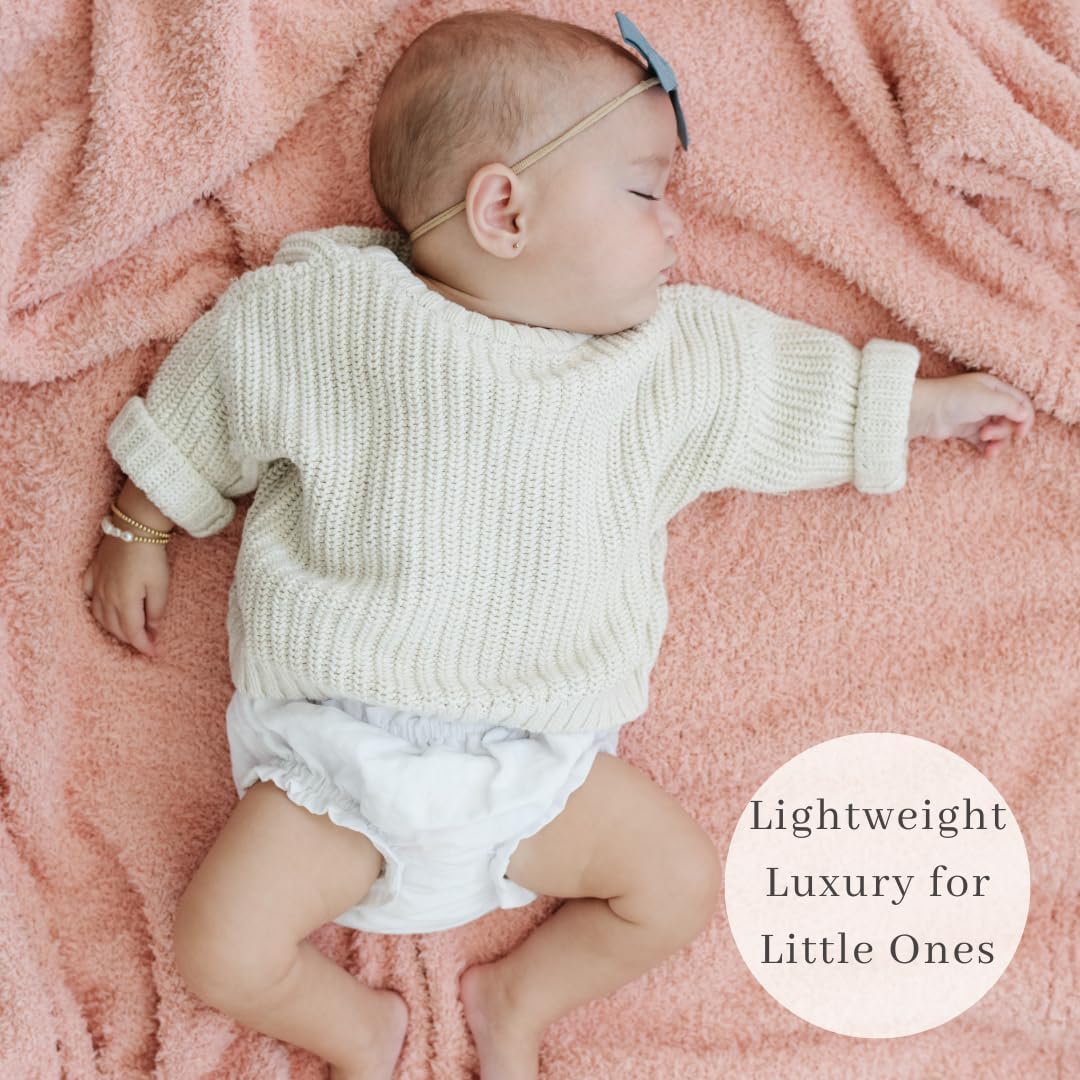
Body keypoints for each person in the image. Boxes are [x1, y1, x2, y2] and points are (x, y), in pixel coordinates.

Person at [81, 9, 1035, 1079]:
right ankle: (359, 1030)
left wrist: (925, 407)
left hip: (540, 768)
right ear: (505, 208)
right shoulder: (334, 316)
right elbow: (215, 390)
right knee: (218, 947)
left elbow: (788, 392)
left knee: (677, 884)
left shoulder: (659, 361)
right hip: (337, 763)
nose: (678, 229)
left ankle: (518, 996)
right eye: (645, 192)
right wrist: (140, 519)